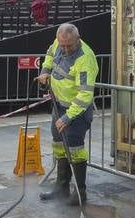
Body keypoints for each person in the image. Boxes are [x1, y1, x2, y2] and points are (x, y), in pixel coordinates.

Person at [36, 22, 100, 205]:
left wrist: (68, 117)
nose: (64, 49)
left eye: (69, 46)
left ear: (78, 39)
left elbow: (85, 95)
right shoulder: (58, 44)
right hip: (59, 105)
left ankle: (80, 192)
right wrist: (45, 71)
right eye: (62, 45)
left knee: (75, 149)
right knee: (58, 143)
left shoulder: (85, 59)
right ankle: (61, 186)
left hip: (77, 111)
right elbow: (49, 55)